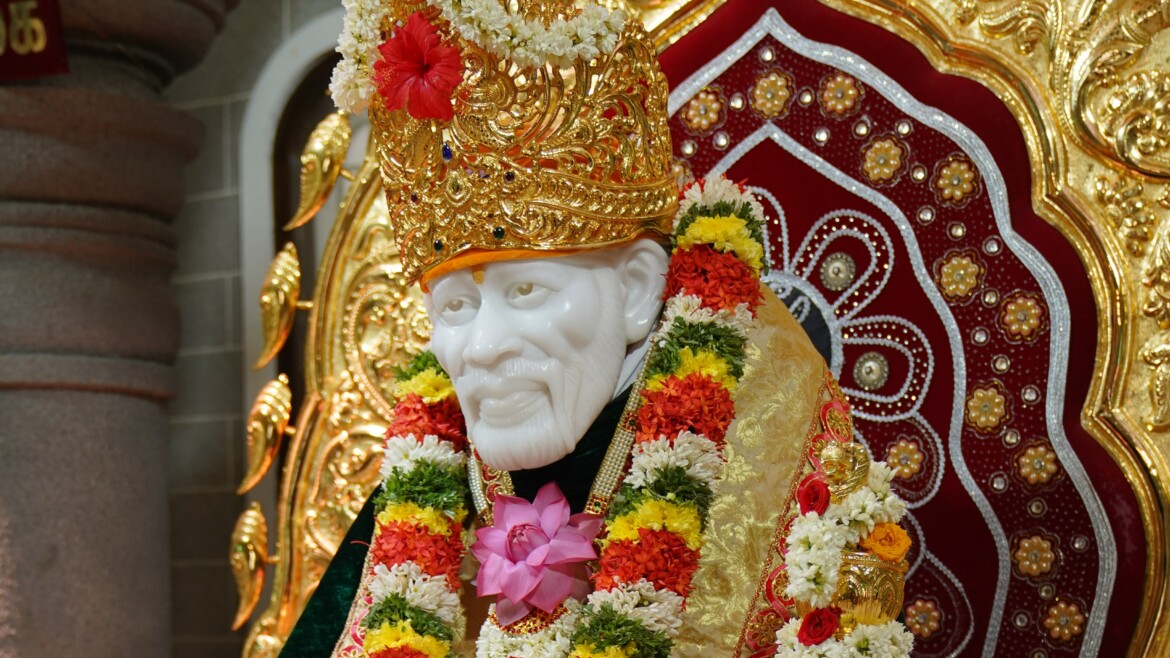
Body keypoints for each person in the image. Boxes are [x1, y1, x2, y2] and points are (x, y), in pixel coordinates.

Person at [279, 1, 912, 656]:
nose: (484, 347)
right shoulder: (434, 464)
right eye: (456, 308)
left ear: (635, 290)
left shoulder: (764, 427)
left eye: (526, 291)